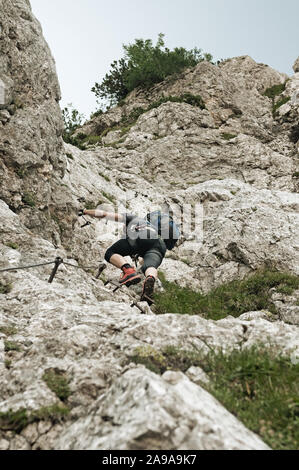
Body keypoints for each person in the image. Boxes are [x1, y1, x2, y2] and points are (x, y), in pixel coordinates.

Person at [79, 208, 180, 301]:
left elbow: (105, 214)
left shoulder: (132, 218)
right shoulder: (153, 228)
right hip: (160, 246)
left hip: (142, 235)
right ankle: (150, 280)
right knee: (150, 266)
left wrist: (86, 211)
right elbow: (143, 261)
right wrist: (138, 256)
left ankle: (127, 270)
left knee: (111, 252)